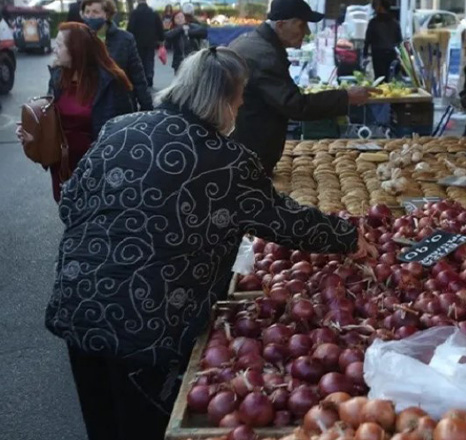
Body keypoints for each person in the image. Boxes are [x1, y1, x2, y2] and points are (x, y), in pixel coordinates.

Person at [44, 46, 374, 440]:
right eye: (239, 97)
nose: (239, 105)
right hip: (148, 325)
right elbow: (285, 221)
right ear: (225, 100)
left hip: (80, 303)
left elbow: (71, 203)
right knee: (142, 425)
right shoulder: (228, 160)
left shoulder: (120, 128)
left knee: (103, 423)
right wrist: (349, 237)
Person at [228, 0, 373, 174]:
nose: (307, 32)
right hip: (248, 153)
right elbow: (296, 106)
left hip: (243, 150)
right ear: (281, 24)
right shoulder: (264, 56)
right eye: (302, 25)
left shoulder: (252, 42)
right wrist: (346, 97)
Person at [16, 23, 133, 203]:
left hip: (97, 168)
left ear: (76, 49)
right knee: (69, 214)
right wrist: (35, 133)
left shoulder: (111, 82)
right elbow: (51, 119)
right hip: (62, 166)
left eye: (60, 44)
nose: (54, 48)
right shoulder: (58, 77)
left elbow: (124, 134)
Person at [81, 0, 152, 111]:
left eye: (95, 12)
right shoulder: (78, 39)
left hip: (119, 106)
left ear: (107, 14)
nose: (90, 16)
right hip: (89, 107)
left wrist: (147, 107)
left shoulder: (125, 39)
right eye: (87, 12)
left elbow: (138, 76)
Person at [127, 0, 165, 87]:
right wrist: (161, 39)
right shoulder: (153, 12)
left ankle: (141, 77)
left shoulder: (134, 13)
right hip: (151, 41)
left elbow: (130, 28)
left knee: (139, 59)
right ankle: (149, 76)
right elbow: (159, 26)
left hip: (137, 41)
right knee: (149, 59)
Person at [364, 0, 402, 82]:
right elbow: (399, 41)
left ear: (380, 7)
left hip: (378, 55)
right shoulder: (395, 23)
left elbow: (367, 40)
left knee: (379, 79)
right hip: (391, 55)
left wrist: (365, 54)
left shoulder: (373, 22)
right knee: (391, 79)